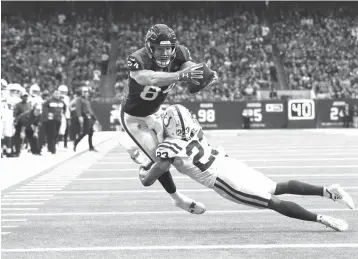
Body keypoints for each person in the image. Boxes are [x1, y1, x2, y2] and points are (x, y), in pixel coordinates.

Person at [139, 104, 355, 231]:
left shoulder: (167, 147)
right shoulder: (195, 129)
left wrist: (143, 171)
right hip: (229, 163)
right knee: (277, 188)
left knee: (273, 202)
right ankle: (327, 191)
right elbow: (181, 136)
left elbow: (151, 178)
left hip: (222, 179)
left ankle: (322, 219)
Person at [119, 24, 218, 214]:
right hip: (133, 119)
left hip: (155, 113)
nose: (165, 53)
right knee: (162, 160)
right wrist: (181, 75)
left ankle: (141, 154)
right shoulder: (137, 59)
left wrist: (202, 75)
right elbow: (152, 79)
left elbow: (190, 68)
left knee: (172, 154)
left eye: (168, 48)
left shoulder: (180, 53)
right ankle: (177, 198)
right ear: (150, 47)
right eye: (159, 48)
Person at [73, 86, 98, 152]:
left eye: (86, 92)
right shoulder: (79, 99)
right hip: (85, 117)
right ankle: (75, 142)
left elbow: (90, 110)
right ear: (81, 92)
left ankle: (91, 147)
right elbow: (78, 108)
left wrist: (95, 119)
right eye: (84, 92)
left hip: (90, 118)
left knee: (91, 133)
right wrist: (79, 116)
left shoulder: (87, 101)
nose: (85, 93)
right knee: (85, 132)